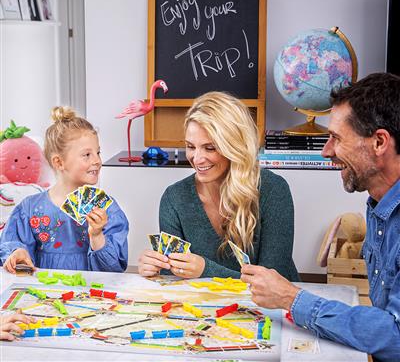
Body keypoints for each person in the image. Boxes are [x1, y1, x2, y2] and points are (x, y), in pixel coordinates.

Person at [241, 72, 400, 361]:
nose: (326, 152)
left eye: (336, 138)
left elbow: (396, 338)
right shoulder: (378, 204)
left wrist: (292, 298)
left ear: (379, 142)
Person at [138, 92, 299, 281]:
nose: (196, 159)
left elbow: (273, 282)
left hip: (274, 307)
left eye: (210, 148)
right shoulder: (174, 198)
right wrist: (156, 268)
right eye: (190, 146)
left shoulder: (273, 190)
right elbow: (175, 278)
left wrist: (206, 270)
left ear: (235, 147)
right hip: (205, 306)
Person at [0, 106, 129, 272]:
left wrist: (97, 235)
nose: (97, 160)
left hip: (91, 294)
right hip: (45, 293)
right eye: (87, 155)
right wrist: (18, 253)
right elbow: (12, 245)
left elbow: (114, 269)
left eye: (98, 152)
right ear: (59, 162)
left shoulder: (107, 209)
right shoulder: (29, 208)